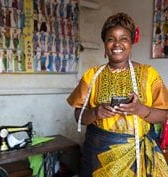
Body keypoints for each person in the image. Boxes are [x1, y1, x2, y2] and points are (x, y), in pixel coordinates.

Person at [67, 12, 168, 177]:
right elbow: (78, 117)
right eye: (111, 39)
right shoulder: (91, 76)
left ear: (131, 42)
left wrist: (139, 109)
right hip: (99, 157)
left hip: (138, 158)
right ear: (105, 44)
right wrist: (95, 113)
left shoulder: (149, 74)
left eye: (123, 39)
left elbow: (163, 115)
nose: (117, 44)